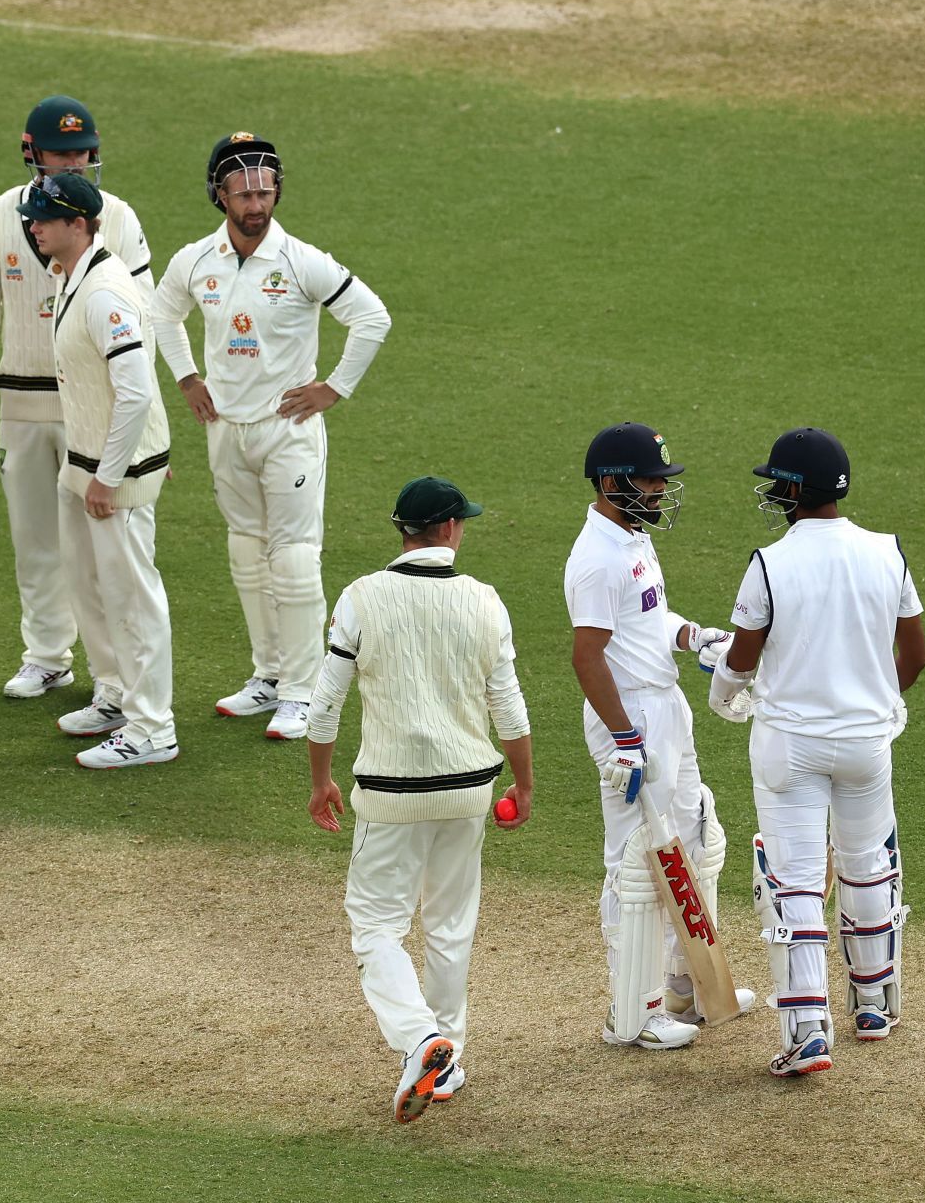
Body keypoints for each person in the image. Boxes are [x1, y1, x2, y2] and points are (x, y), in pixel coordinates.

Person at [150, 132, 391, 741]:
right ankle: (269, 676)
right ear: (219, 195)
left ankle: (304, 693)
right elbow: (162, 314)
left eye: (265, 190)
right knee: (245, 552)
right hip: (226, 429)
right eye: (243, 191)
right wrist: (186, 379)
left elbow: (372, 317)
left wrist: (332, 389)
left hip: (289, 433)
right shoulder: (194, 261)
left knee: (293, 559)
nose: (256, 203)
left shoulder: (301, 260)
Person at [307, 476, 532, 1124]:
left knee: (376, 925)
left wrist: (321, 781)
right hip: (469, 787)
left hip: (390, 793)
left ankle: (419, 1040)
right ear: (450, 529)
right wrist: (524, 784)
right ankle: (447, 1057)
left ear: (403, 529)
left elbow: (324, 707)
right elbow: (509, 711)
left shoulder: (360, 598)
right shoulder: (486, 601)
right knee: (450, 925)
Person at [708, 426, 925, 1078]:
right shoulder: (888, 553)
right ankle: (874, 1006)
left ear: (793, 492)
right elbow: (913, 655)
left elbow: (742, 660)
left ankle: (807, 1030)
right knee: (866, 867)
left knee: (795, 881)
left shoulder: (771, 563)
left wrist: (723, 692)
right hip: (867, 743)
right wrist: (870, 701)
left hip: (790, 748)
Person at [0, 96, 155, 699]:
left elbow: (147, 318)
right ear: (31, 152)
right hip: (23, 397)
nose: (73, 162)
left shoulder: (115, 216)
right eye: (61, 152)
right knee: (35, 538)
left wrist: (144, 433)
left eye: (81, 152)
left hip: (92, 407)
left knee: (103, 547)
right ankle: (46, 655)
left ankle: (117, 679)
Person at [562, 422, 754, 1052]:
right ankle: (631, 1012)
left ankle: (687, 985)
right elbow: (588, 657)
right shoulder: (595, 558)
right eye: (650, 480)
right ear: (613, 483)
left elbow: (647, 618)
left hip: (664, 704)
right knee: (634, 862)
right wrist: (623, 739)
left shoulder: (634, 538)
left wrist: (695, 636)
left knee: (699, 838)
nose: (659, 491)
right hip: (632, 717)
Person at [17, 173, 176, 769]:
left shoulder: (106, 291)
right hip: (83, 462)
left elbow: (135, 391)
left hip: (115, 470)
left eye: (43, 217)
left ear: (78, 224)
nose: (33, 225)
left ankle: (153, 729)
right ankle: (114, 694)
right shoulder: (68, 276)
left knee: (132, 599)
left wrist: (111, 475)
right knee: (86, 584)